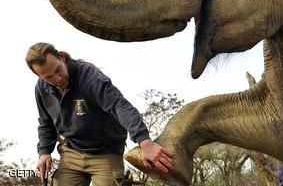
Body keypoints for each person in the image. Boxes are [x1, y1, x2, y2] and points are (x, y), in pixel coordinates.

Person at [26, 42, 174, 186]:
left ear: (62, 57)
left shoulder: (89, 76)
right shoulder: (41, 88)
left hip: (107, 153)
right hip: (72, 151)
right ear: (39, 76)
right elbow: (46, 123)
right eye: (48, 77)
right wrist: (44, 152)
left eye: (58, 70)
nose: (57, 79)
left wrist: (145, 142)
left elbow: (119, 106)